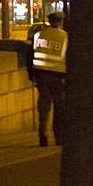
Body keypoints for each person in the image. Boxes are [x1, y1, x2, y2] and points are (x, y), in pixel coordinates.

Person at [30, 11, 68, 146]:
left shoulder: (38, 35)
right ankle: (59, 137)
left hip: (41, 75)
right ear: (61, 22)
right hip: (58, 76)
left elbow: (30, 54)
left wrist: (32, 75)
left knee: (44, 106)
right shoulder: (64, 36)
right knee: (59, 107)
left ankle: (43, 133)